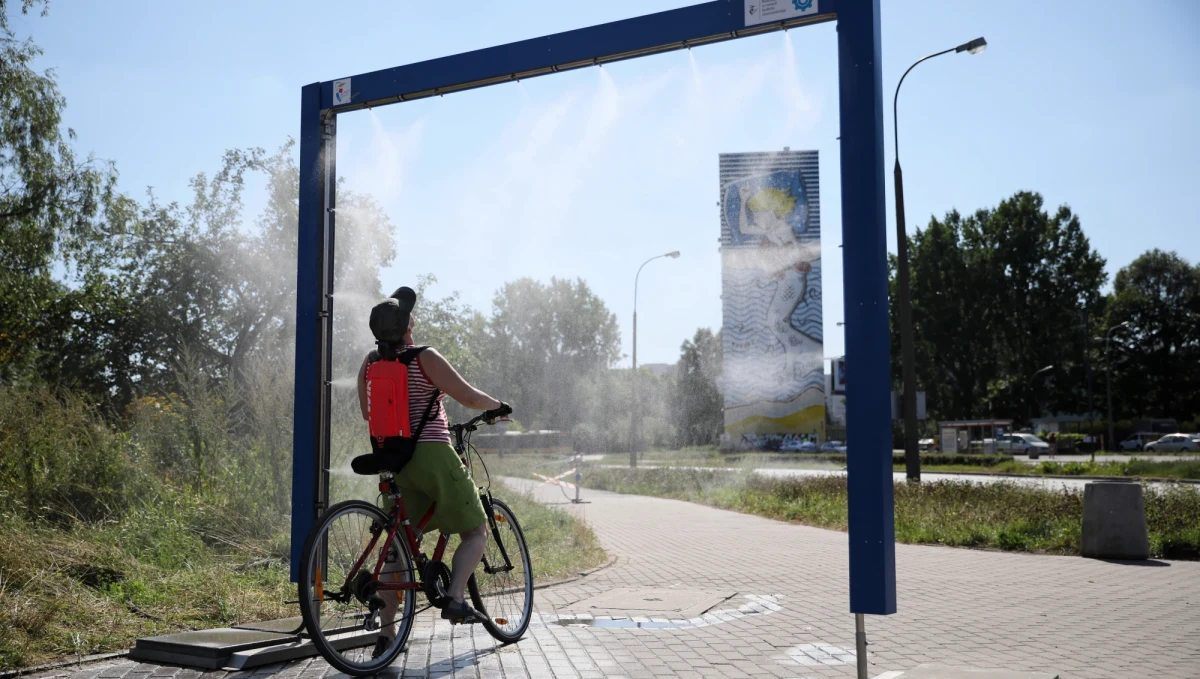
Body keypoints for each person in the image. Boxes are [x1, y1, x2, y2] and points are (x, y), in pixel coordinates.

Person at [356, 286, 507, 652]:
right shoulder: (425, 357)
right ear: (408, 324)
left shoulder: (370, 363)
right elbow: (468, 397)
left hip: (392, 460)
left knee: (397, 548)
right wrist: (499, 405)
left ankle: (388, 634)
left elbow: (367, 413)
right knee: (475, 530)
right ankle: (454, 597)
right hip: (432, 455)